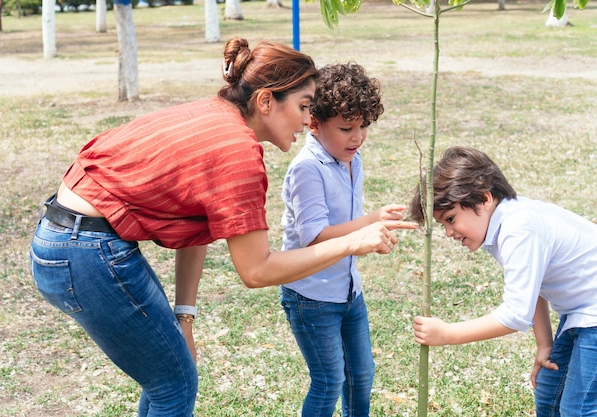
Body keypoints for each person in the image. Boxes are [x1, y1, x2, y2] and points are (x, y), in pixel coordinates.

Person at [29, 37, 403, 417]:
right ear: (266, 101)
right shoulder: (237, 151)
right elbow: (256, 271)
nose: (309, 121)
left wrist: (184, 316)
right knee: (174, 384)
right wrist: (352, 241)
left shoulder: (215, 115)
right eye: (304, 107)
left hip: (64, 240)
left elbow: (197, 227)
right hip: (87, 250)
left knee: (167, 379)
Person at [408, 145, 597, 417]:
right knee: (548, 396)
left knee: (579, 410)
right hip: (579, 311)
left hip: (591, 312)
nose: (448, 232)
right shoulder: (502, 224)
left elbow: (516, 314)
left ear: (484, 199)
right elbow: (534, 288)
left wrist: (448, 334)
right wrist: (544, 344)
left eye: (451, 219)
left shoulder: (519, 228)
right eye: (443, 224)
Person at [279, 62, 419, 417]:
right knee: (328, 381)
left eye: (363, 126)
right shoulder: (307, 168)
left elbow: (345, 223)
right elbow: (315, 236)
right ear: (314, 122)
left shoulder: (351, 158)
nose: (357, 137)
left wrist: (373, 225)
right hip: (311, 296)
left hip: (347, 290)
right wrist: (369, 224)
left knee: (361, 375)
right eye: (346, 128)